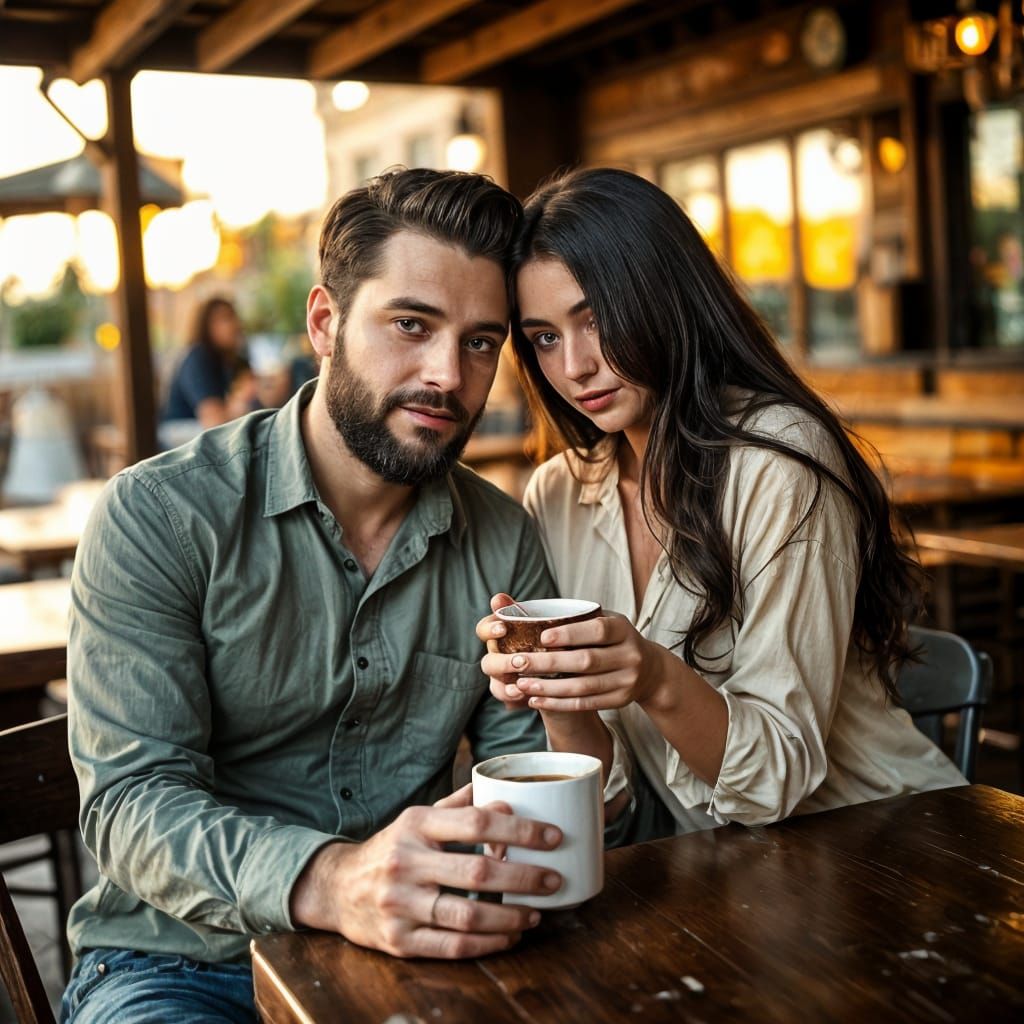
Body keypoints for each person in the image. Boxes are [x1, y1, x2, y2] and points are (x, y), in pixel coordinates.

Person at [63, 169, 596, 1024]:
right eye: (411, 325)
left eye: (480, 342)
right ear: (324, 322)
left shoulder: (502, 536)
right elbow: (132, 805)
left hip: (420, 950)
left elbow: (526, 777)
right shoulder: (159, 516)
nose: (446, 376)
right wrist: (333, 879)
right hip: (178, 965)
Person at [479, 167, 965, 843]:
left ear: (663, 298)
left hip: (892, 841)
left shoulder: (779, 457)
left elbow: (776, 779)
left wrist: (652, 674)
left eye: (595, 319)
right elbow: (608, 796)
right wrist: (548, 686)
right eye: (545, 337)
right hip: (738, 878)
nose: (575, 366)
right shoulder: (559, 490)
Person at [162, 296, 258, 431]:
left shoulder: (238, 361)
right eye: (225, 319)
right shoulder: (197, 358)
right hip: (180, 435)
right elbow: (214, 422)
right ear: (207, 326)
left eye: (234, 317)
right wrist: (242, 398)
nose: (235, 324)